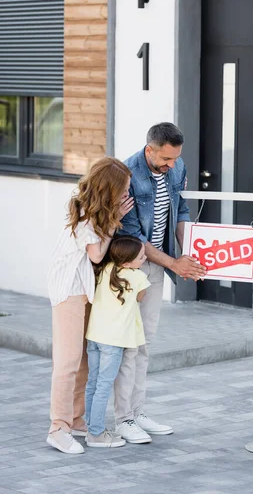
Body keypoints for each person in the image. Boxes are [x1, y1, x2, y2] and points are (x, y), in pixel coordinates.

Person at [114, 122, 207, 444]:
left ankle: (136, 412)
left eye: (175, 159)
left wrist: (188, 255)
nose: (172, 166)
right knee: (127, 344)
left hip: (157, 267)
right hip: (130, 268)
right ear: (149, 149)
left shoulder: (176, 163)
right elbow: (130, 235)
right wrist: (174, 263)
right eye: (165, 160)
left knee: (144, 343)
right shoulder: (126, 173)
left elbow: (180, 208)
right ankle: (121, 418)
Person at [46, 157, 134, 455]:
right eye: (123, 190)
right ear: (109, 189)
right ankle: (58, 428)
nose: (126, 195)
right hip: (69, 291)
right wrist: (113, 223)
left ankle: (76, 418)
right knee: (68, 362)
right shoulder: (84, 213)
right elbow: (96, 255)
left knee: (83, 360)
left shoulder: (95, 211)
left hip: (85, 291)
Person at [84, 235, 149, 448]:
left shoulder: (104, 270)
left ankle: (90, 426)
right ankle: (96, 434)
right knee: (104, 385)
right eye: (141, 256)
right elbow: (141, 298)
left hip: (94, 336)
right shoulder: (137, 276)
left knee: (93, 383)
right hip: (114, 341)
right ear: (127, 262)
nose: (145, 257)